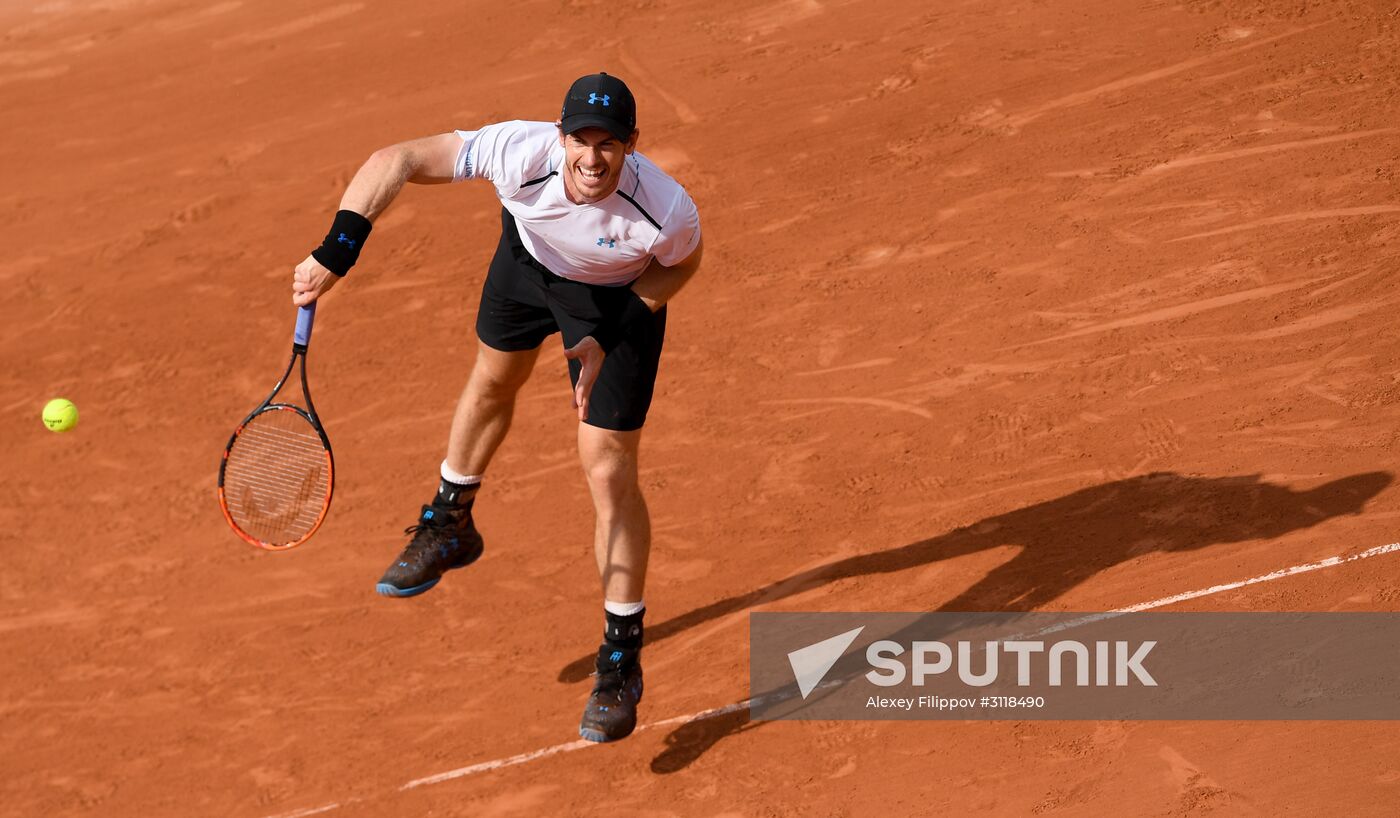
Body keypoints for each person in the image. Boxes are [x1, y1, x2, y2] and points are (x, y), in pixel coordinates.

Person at [289, 73, 703, 743]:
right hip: (527, 266)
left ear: (632, 144)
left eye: (608, 144)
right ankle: (452, 522)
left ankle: (620, 658)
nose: (591, 160)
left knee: (606, 469)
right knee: (493, 379)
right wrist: (338, 251)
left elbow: (683, 266)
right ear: (560, 136)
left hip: (616, 301)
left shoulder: (663, 209)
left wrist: (612, 329)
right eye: (579, 141)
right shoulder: (519, 151)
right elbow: (395, 160)